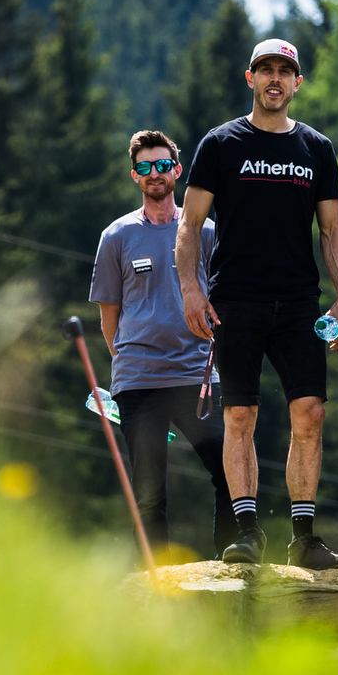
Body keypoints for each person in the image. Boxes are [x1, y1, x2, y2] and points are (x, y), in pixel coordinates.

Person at [176, 38, 338, 570]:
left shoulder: (316, 149)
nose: (275, 79)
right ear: (250, 77)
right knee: (240, 414)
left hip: (300, 302)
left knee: (311, 413)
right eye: (266, 70)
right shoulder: (221, 143)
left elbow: (329, 230)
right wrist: (190, 288)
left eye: (285, 71)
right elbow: (188, 225)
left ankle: (304, 537)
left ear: (297, 82)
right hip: (235, 299)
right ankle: (248, 532)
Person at [90, 129, 236, 557]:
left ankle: (231, 568)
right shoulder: (115, 237)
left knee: (231, 475)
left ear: (177, 170)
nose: (153, 174)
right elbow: (108, 319)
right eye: (144, 167)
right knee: (149, 492)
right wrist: (128, 367)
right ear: (135, 176)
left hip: (198, 379)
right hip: (139, 382)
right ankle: (156, 585)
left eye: (161, 165)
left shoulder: (206, 233)